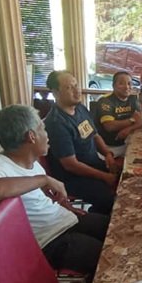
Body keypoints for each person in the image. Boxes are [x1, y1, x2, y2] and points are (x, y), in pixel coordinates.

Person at [0, 105, 109, 283]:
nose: (48, 135)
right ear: (31, 136)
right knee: (108, 256)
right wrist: (43, 180)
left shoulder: (31, 162)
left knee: (113, 228)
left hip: (63, 221)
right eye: (43, 129)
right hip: (49, 241)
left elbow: (36, 200)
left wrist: (65, 206)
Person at [44, 70, 118, 215]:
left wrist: (108, 155)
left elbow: (94, 135)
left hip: (92, 164)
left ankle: (99, 213)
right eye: (69, 87)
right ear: (56, 93)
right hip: (72, 178)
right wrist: (104, 176)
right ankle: (100, 221)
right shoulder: (56, 123)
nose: (77, 91)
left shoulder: (80, 108)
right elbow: (71, 165)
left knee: (125, 176)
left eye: (76, 85)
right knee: (108, 197)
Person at [95, 71, 142, 158]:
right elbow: (109, 126)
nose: (127, 87)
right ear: (113, 86)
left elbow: (140, 121)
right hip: (108, 148)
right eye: (121, 83)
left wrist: (128, 129)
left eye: (129, 84)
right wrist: (131, 120)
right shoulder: (105, 101)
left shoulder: (133, 98)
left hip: (128, 143)